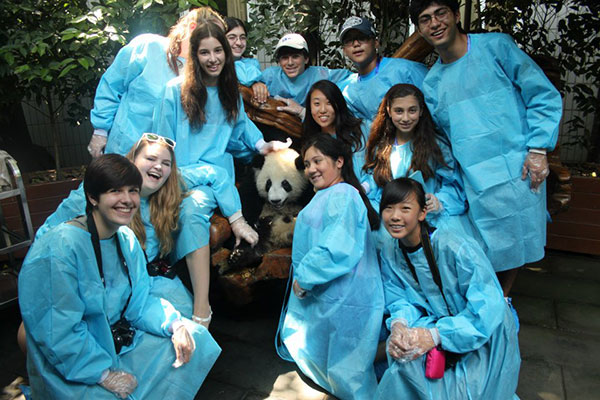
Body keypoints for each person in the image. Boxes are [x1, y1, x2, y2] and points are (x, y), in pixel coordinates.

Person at [18, 154, 221, 399]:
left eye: (133, 191)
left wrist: (174, 325)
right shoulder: (60, 249)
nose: (127, 200)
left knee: (194, 338)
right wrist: (104, 375)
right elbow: (57, 333)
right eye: (115, 191)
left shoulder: (125, 239)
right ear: (93, 197)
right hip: (73, 361)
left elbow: (140, 302)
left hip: (115, 343)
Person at [409, 0, 563, 295]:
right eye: (425, 19)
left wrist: (539, 150)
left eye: (441, 13)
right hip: (474, 178)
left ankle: (502, 302)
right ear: (420, 29)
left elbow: (541, 94)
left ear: (455, 15)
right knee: (483, 246)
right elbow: (443, 139)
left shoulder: (497, 48)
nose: (435, 23)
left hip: (517, 169)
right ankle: (489, 304)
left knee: (517, 242)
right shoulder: (432, 84)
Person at [375, 178, 520, 400]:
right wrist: (399, 325)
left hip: (483, 332)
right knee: (404, 363)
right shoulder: (392, 250)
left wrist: (435, 335)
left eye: (405, 208)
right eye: (388, 208)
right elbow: (401, 298)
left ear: (422, 213)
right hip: (443, 326)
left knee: (468, 391)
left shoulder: (454, 247)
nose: (395, 216)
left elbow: (488, 308)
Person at [276, 135, 384, 400]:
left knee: (346, 365)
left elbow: (336, 246)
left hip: (341, 292)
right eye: (307, 163)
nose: (311, 169)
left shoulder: (343, 194)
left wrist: (304, 278)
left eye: (318, 161)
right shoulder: (328, 195)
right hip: (329, 291)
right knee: (333, 359)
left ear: (339, 162)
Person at [87, 7, 226, 157]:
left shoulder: (203, 70)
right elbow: (111, 86)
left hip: (166, 160)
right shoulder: (147, 46)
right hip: (125, 148)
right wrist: (100, 131)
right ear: (193, 27)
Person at [363, 83, 466, 226]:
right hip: (394, 223)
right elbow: (376, 179)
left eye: (412, 110)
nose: (405, 118)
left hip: (431, 222)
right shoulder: (382, 146)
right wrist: (365, 187)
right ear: (389, 110)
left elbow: (454, 184)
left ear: (421, 110)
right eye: (399, 111)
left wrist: (439, 202)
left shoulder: (436, 145)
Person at [338, 16, 429, 139]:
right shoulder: (348, 90)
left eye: (362, 38)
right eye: (349, 41)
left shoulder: (405, 70)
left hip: (420, 146)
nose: (356, 44)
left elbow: (435, 110)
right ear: (344, 50)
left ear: (375, 42)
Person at [253, 33, 351, 118]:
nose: (290, 62)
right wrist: (255, 83)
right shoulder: (270, 76)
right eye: (285, 58)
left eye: (295, 56)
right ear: (279, 61)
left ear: (306, 59)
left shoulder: (321, 75)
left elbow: (353, 79)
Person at [302, 79, 367, 180]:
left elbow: (376, 165)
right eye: (317, 104)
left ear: (338, 105)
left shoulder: (360, 129)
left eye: (329, 103)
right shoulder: (311, 140)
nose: (323, 110)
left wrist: (365, 187)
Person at [224, 16, 263, 87]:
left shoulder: (252, 64)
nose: (239, 43)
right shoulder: (216, 65)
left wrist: (258, 85)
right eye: (232, 37)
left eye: (242, 38)